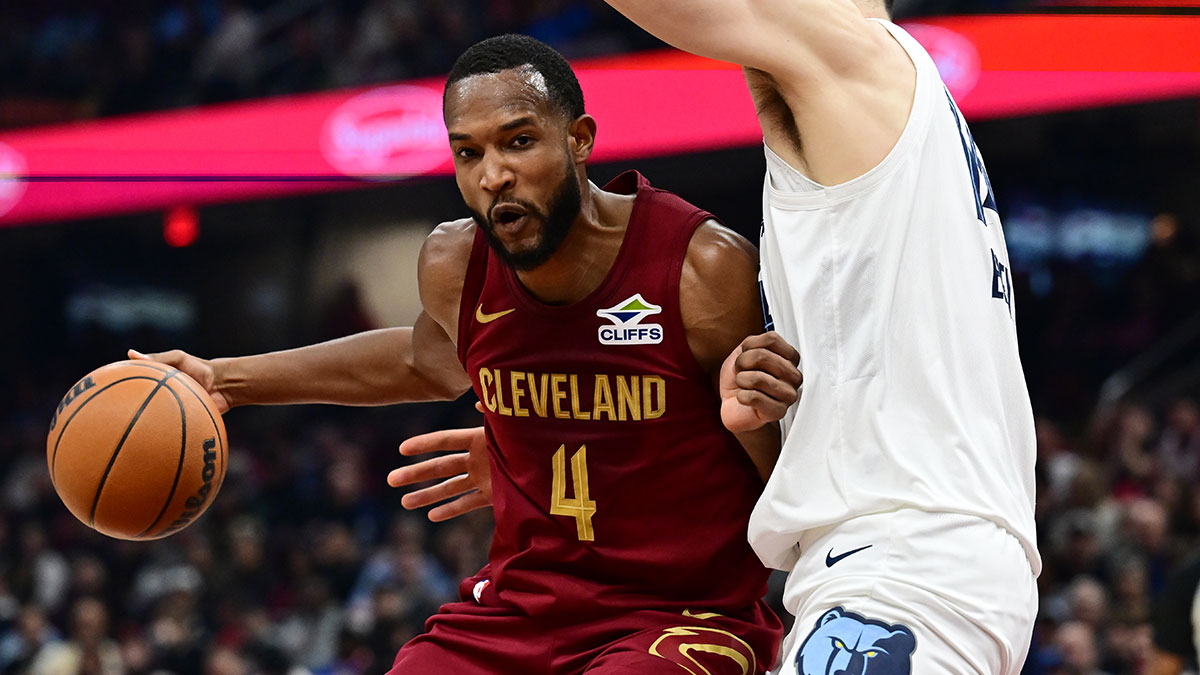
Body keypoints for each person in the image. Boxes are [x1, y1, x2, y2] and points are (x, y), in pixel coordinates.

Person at [133, 34, 802, 674]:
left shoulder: (701, 266)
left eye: (518, 141)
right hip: (522, 613)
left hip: (681, 617)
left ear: (580, 140)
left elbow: (795, 474)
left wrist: (748, 421)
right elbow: (423, 361)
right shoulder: (457, 261)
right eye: (469, 153)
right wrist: (222, 379)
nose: (494, 175)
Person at [586, 1, 1040, 674]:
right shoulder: (879, 125)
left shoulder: (867, 66)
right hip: (904, 563)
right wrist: (749, 425)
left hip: (904, 571)